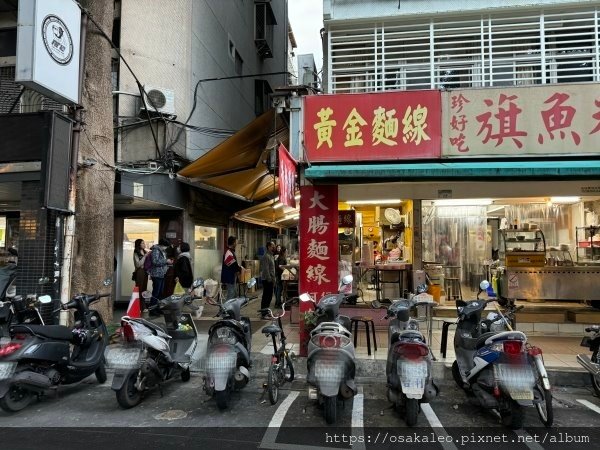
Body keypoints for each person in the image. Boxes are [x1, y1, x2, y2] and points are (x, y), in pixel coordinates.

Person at [148, 238, 171, 313]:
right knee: (156, 292)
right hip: (157, 274)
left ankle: (158, 308)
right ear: (162, 245)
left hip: (162, 274)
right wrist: (166, 261)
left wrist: (168, 263)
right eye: (166, 246)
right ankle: (152, 309)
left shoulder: (162, 250)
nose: (166, 247)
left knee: (160, 293)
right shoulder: (156, 250)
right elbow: (155, 262)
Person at [221, 236, 242, 300]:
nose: (236, 244)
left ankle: (231, 308)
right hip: (229, 277)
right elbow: (232, 264)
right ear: (233, 243)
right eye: (236, 242)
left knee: (233, 293)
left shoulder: (231, 251)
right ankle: (226, 309)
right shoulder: (228, 252)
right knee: (231, 293)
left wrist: (239, 268)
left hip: (231, 276)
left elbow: (233, 263)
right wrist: (239, 269)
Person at [260, 241, 276, 317]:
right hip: (267, 280)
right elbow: (266, 269)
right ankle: (263, 313)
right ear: (269, 247)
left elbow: (272, 268)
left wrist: (273, 279)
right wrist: (269, 279)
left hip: (271, 279)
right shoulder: (266, 256)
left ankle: (266, 311)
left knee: (269, 296)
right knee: (266, 296)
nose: (274, 247)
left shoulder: (271, 255)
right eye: (273, 246)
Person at [133, 239, 149, 307]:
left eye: (144, 243)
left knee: (144, 289)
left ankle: (143, 305)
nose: (144, 244)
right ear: (138, 244)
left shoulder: (145, 251)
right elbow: (138, 264)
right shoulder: (136, 252)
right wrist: (145, 256)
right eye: (142, 243)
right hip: (139, 271)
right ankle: (137, 306)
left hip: (145, 271)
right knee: (139, 288)